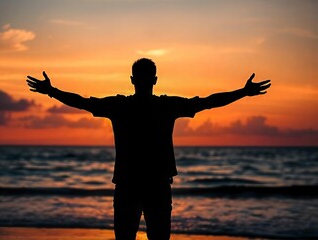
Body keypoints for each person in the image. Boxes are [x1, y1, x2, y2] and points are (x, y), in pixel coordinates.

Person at [26, 58, 271, 240]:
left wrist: (52, 92)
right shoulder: (166, 106)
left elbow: (81, 102)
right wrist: (243, 92)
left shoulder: (120, 106)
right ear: (154, 80)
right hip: (155, 185)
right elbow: (207, 102)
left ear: (133, 80)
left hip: (130, 185)